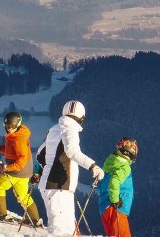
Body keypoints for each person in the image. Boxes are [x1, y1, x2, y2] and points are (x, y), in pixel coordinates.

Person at [37, 100, 104, 235]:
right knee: (63, 231)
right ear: (81, 117)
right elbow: (72, 152)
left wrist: (49, 170)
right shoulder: (70, 129)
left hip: (52, 186)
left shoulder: (54, 129)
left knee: (62, 229)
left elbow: (39, 154)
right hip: (58, 187)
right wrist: (93, 166)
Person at [0, 111, 42, 226]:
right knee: (22, 195)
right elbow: (12, 149)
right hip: (24, 172)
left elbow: (21, 159)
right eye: (7, 126)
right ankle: (35, 219)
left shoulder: (18, 139)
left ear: (17, 125)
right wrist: (0, 148)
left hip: (17, 171)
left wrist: (8, 167)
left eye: (12, 126)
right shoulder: (16, 135)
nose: (10, 128)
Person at [98, 138, 138, 237]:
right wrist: (115, 200)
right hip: (116, 207)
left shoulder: (111, 163)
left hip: (105, 207)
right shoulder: (124, 166)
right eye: (134, 148)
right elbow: (114, 181)